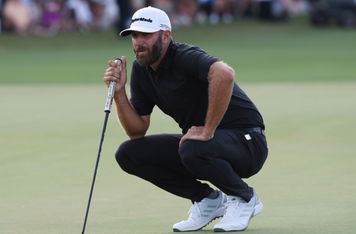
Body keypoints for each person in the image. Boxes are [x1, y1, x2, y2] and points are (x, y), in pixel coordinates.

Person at [103, 6, 268, 232]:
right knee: (129, 154)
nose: (139, 42)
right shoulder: (141, 69)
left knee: (193, 147)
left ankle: (244, 198)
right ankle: (207, 200)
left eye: (146, 35)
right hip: (203, 146)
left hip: (248, 142)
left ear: (166, 36)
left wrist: (208, 129)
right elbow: (137, 130)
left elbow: (224, 73)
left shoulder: (184, 56)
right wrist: (120, 93)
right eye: (135, 35)